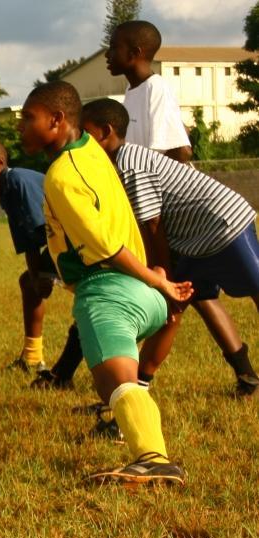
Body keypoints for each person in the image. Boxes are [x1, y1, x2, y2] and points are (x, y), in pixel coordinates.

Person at [17, 81, 192, 486]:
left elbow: (107, 248)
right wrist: (154, 282)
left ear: (57, 120)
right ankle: (140, 444)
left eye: (29, 118)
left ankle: (152, 459)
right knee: (121, 384)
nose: (21, 127)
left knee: (116, 383)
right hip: (140, 294)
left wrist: (157, 280)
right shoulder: (91, 151)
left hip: (109, 292)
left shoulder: (60, 176)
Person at [82, 98, 259, 396]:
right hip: (193, 241)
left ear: (104, 132)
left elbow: (153, 225)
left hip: (223, 226)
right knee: (172, 309)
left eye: (84, 134)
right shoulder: (119, 163)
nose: (80, 142)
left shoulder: (129, 165)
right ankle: (140, 389)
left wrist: (161, 275)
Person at [0, 140, 55, 372]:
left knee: (35, 283)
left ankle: (35, 358)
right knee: (29, 282)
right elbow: (28, 240)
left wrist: (41, 276)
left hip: (74, 241)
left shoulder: (16, 182)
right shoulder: (6, 188)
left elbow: (36, 234)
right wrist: (36, 275)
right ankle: (33, 357)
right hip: (59, 241)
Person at [105, 20, 193, 162]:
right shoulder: (132, 89)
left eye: (114, 47)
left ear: (134, 53)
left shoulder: (157, 88)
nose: (107, 54)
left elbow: (181, 152)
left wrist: (148, 180)